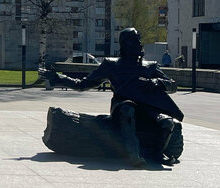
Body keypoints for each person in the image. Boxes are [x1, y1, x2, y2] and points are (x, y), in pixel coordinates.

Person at [41, 27, 184, 166]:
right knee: (128, 109)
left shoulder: (150, 66)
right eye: (135, 40)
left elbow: (173, 85)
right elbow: (83, 84)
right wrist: (59, 78)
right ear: (125, 44)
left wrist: (158, 82)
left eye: (139, 40)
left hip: (147, 109)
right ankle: (133, 155)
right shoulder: (112, 65)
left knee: (167, 122)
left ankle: (158, 154)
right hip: (122, 107)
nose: (140, 44)